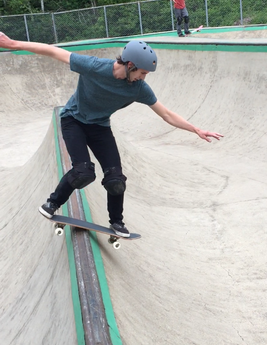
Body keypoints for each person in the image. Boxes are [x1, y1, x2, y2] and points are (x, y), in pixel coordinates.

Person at [0, 32, 223, 237]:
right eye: (142, 73)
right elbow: (54, 51)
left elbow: (166, 114)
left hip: (99, 127)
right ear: (130, 65)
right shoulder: (94, 66)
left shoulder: (139, 89)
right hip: (73, 121)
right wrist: (12, 44)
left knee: (116, 180)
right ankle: (52, 203)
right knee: (83, 172)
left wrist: (196, 129)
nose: (143, 78)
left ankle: (116, 222)